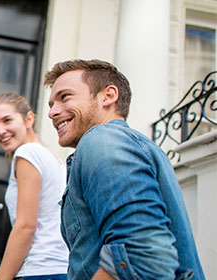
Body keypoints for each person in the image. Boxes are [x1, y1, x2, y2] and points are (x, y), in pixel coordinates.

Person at [44, 59, 205, 279]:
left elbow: (142, 256)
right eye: (51, 105)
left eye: (65, 97)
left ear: (108, 96)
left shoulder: (102, 140)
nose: (52, 112)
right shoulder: (132, 144)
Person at [0, 93, 68, 280]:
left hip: (40, 269)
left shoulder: (27, 153)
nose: (0, 131)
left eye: (7, 120)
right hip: (59, 268)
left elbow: (26, 226)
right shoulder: (51, 157)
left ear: (28, 119)